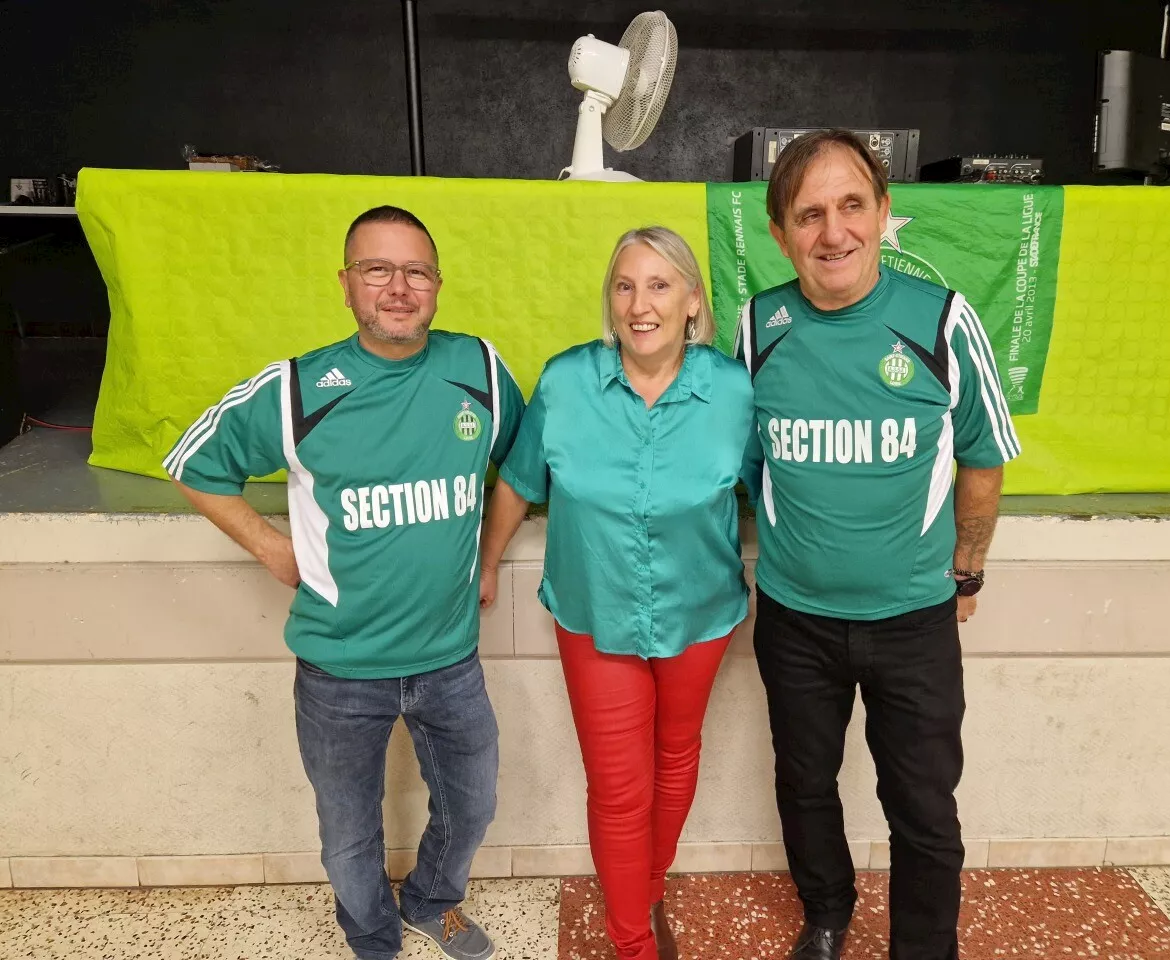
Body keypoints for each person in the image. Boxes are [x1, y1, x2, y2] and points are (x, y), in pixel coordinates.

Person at [165, 205, 525, 960]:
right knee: (348, 831)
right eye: (377, 269)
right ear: (346, 284)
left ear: (437, 284)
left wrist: (488, 561)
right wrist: (270, 548)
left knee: (474, 802)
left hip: (449, 658)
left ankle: (432, 901)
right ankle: (371, 938)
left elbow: (521, 470)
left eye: (416, 271)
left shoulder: (481, 371)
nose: (399, 286)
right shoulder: (299, 389)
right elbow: (194, 465)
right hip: (339, 670)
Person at [735, 129, 1021, 960]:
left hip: (914, 622)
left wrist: (966, 573)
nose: (834, 232)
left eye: (852, 205)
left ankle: (924, 948)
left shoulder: (942, 320)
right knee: (803, 785)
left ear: (885, 212)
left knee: (924, 806)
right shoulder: (759, 327)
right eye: (810, 213)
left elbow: (984, 456)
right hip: (795, 619)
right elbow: (734, 462)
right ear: (780, 230)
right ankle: (826, 914)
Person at [479, 226, 754, 960]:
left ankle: (646, 887)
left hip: (701, 612)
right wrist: (485, 563)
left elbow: (777, 492)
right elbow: (517, 481)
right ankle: (632, 939)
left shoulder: (733, 391)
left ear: (693, 301)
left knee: (676, 756)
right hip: (594, 612)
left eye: (660, 285)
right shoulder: (567, 381)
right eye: (625, 286)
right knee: (619, 788)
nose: (640, 304)